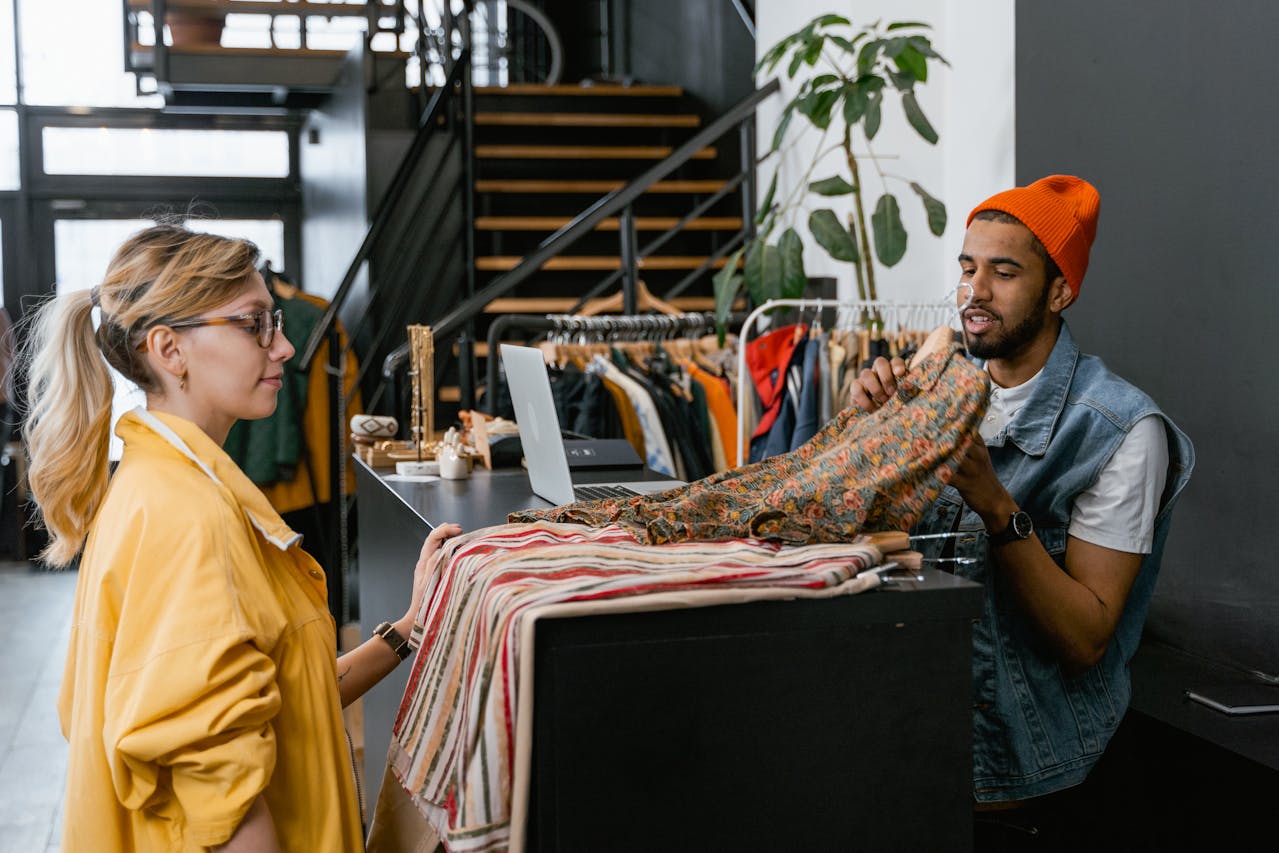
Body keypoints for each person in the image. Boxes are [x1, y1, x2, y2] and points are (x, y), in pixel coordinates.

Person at [21, 224, 461, 851]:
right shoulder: (189, 517)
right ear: (170, 349)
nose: (284, 346)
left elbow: (282, 698)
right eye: (255, 324)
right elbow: (221, 798)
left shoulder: (159, 482)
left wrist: (410, 627)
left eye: (274, 321)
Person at [852, 175, 1194, 835]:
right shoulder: (933, 394)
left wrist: (993, 502)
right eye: (968, 268)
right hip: (906, 745)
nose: (975, 291)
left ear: (1059, 291)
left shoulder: (1120, 428)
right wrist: (867, 443)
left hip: (1026, 778)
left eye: (1003, 273)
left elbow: (1085, 639)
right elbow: (880, 564)